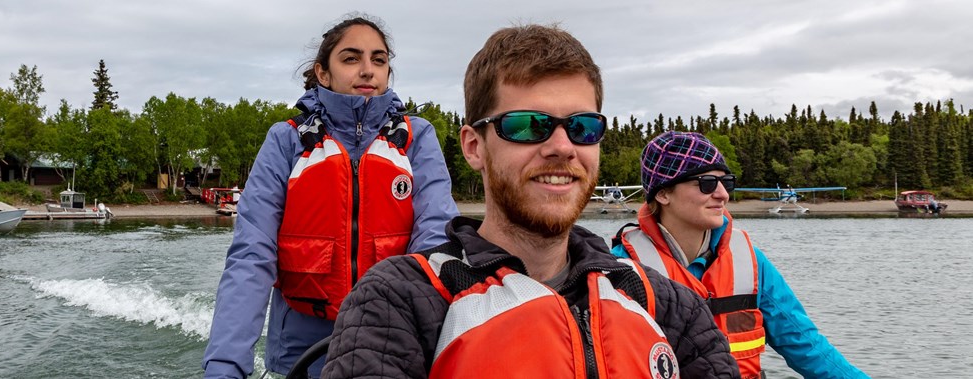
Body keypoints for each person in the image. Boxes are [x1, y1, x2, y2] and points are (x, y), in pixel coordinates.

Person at [321, 24, 739, 378]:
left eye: (583, 127)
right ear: (473, 148)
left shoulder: (667, 303)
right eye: (526, 125)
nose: (562, 146)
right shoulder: (399, 302)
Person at [203, 14, 458, 379]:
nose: (368, 70)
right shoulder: (285, 140)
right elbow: (251, 256)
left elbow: (434, 237)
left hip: (393, 338)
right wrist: (225, 366)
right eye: (351, 58)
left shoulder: (418, 138)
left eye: (379, 60)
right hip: (303, 351)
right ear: (323, 73)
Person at [610, 131, 869, 379]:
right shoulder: (623, 268)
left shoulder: (749, 260)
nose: (723, 194)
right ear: (663, 193)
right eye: (706, 183)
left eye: (726, 182)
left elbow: (804, 343)